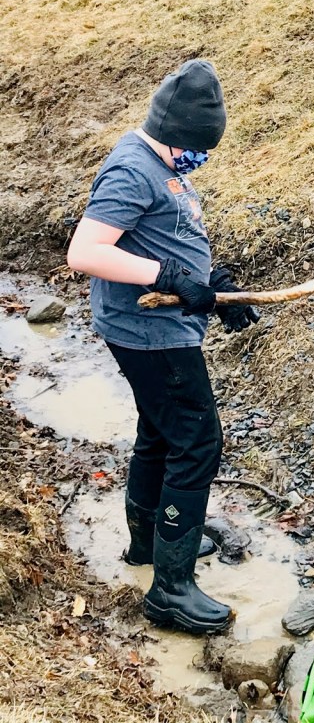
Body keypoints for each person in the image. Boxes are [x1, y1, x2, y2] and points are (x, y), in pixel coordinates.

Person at [67, 59, 258, 634]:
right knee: (197, 442)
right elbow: (85, 252)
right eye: (198, 149)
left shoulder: (164, 162)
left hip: (163, 326)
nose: (201, 159)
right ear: (175, 135)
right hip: (149, 333)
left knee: (159, 431)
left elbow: (166, 235)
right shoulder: (133, 170)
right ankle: (172, 590)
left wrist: (214, 286)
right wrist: (169, 278)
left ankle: (149, 544)